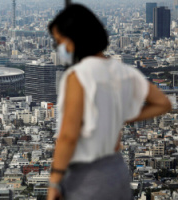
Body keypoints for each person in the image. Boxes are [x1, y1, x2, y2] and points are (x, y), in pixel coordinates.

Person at [47, 4, 172, 200]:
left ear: (75, 39)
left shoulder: (78, 75)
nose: (60, 48)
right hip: (117, 171)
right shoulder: (124, 71)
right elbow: (163, 103)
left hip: (86, 176)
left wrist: (54, 181)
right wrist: (122, 117)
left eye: (59, 42)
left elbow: (68, 136)